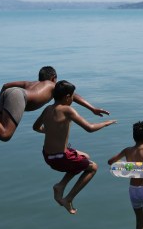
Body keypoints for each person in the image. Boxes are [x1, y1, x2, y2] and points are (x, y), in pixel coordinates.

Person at [0, 66, 110, 144]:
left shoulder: (31, 83)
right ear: (53, 78)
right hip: (18, 97)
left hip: (10, 93)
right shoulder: (51, 86)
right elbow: (73, 95)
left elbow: (5, 86)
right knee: (5, 135)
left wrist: (1, 107)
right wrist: (92, 108)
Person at [33, 80, 116, 214]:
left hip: (48, 155)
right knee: (93, 168)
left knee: (84, 157)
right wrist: (106, 123)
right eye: (72, 96)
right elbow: (89, 128)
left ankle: (61, 186)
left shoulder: (47, 109)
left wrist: (50, 131)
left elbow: (35, 127)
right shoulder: (68, 110)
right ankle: (68, 198)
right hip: (59, 158)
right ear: (67, 97)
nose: (73, 98)